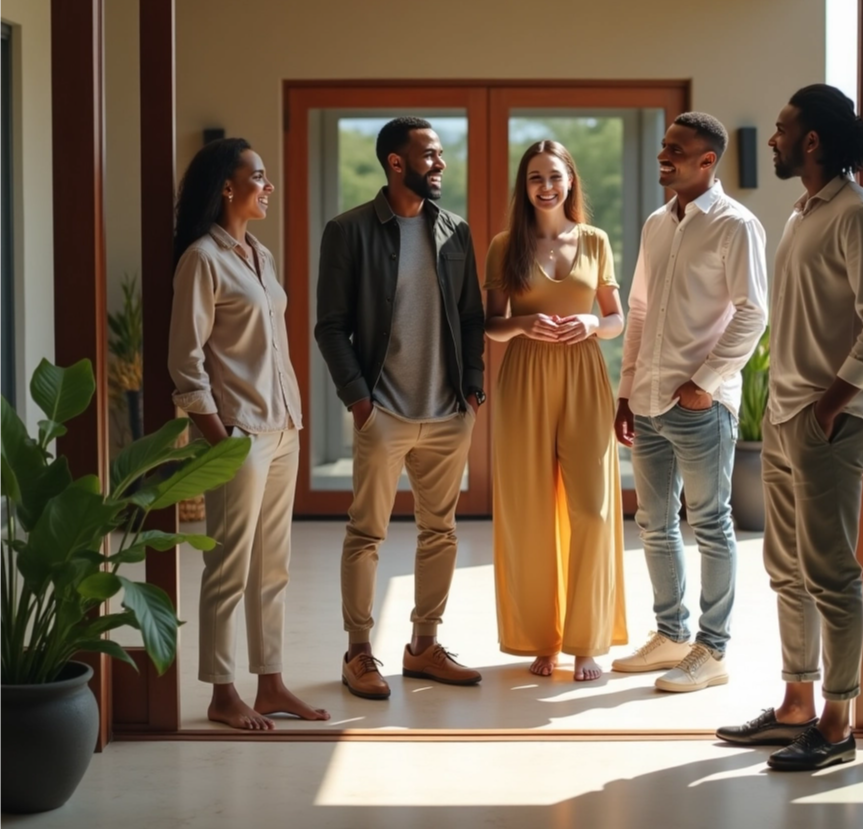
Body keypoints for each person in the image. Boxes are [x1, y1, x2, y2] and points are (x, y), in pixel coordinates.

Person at [716, 85, 863, 771]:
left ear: (813, 140)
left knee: (830, 573)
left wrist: (832, 403)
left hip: (828, 424)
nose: (772, 139)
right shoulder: (803, 213)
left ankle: (838, 723)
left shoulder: (857, 215)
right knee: (787, 569)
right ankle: (796, 705)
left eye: (781, 129)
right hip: (786, 418)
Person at [315, 116, 485, 700]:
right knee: (367, 533)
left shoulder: (454, 232)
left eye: (440, 155)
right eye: (430, 155)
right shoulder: (349, 231)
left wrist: (473, 389)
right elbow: (330, 326)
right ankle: (359, 653)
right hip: (382, 411)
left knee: (441, 532)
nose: (440, 164)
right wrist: (360, 401)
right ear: (395, 162)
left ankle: (423, 647)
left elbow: (470, 316)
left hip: (447, 412)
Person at [169, 137, 329, 731]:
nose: (268, 186)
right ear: (227, 188)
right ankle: (221, 693)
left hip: (282, 426)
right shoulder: (202, 259)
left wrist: (287, 420)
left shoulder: (257, 253)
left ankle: (271, 684)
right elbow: (185, 362)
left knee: (273, 567)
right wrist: (220, 438)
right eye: (257, 177)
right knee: (228, 567)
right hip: (239, 432)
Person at [613, 112, 768, 693]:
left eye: (677, 150)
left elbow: (754, 312)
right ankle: (671, 635)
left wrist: (704, 381)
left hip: (700, 406)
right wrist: (626, 391)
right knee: (655, 522)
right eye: (663, 147)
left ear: (708, 161)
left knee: (710, 523)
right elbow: (642, 312)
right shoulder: (659, 223)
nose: (665, 156)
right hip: (649, 401)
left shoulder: (736, 225)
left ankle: (712, 649)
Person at [485, 140, 628, 681]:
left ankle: (586, 641)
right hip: (524, 378)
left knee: (591, 509)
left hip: (585, 376)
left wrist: (594, 324)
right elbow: (490, 323)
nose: (545, 186)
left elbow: (615, 319)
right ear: (524, 187)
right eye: (534, 178)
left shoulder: (595, 241)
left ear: (570, 180)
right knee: (531, 512)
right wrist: (522, 324)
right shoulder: (505, 245)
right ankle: (543, 639)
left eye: (554, 175)